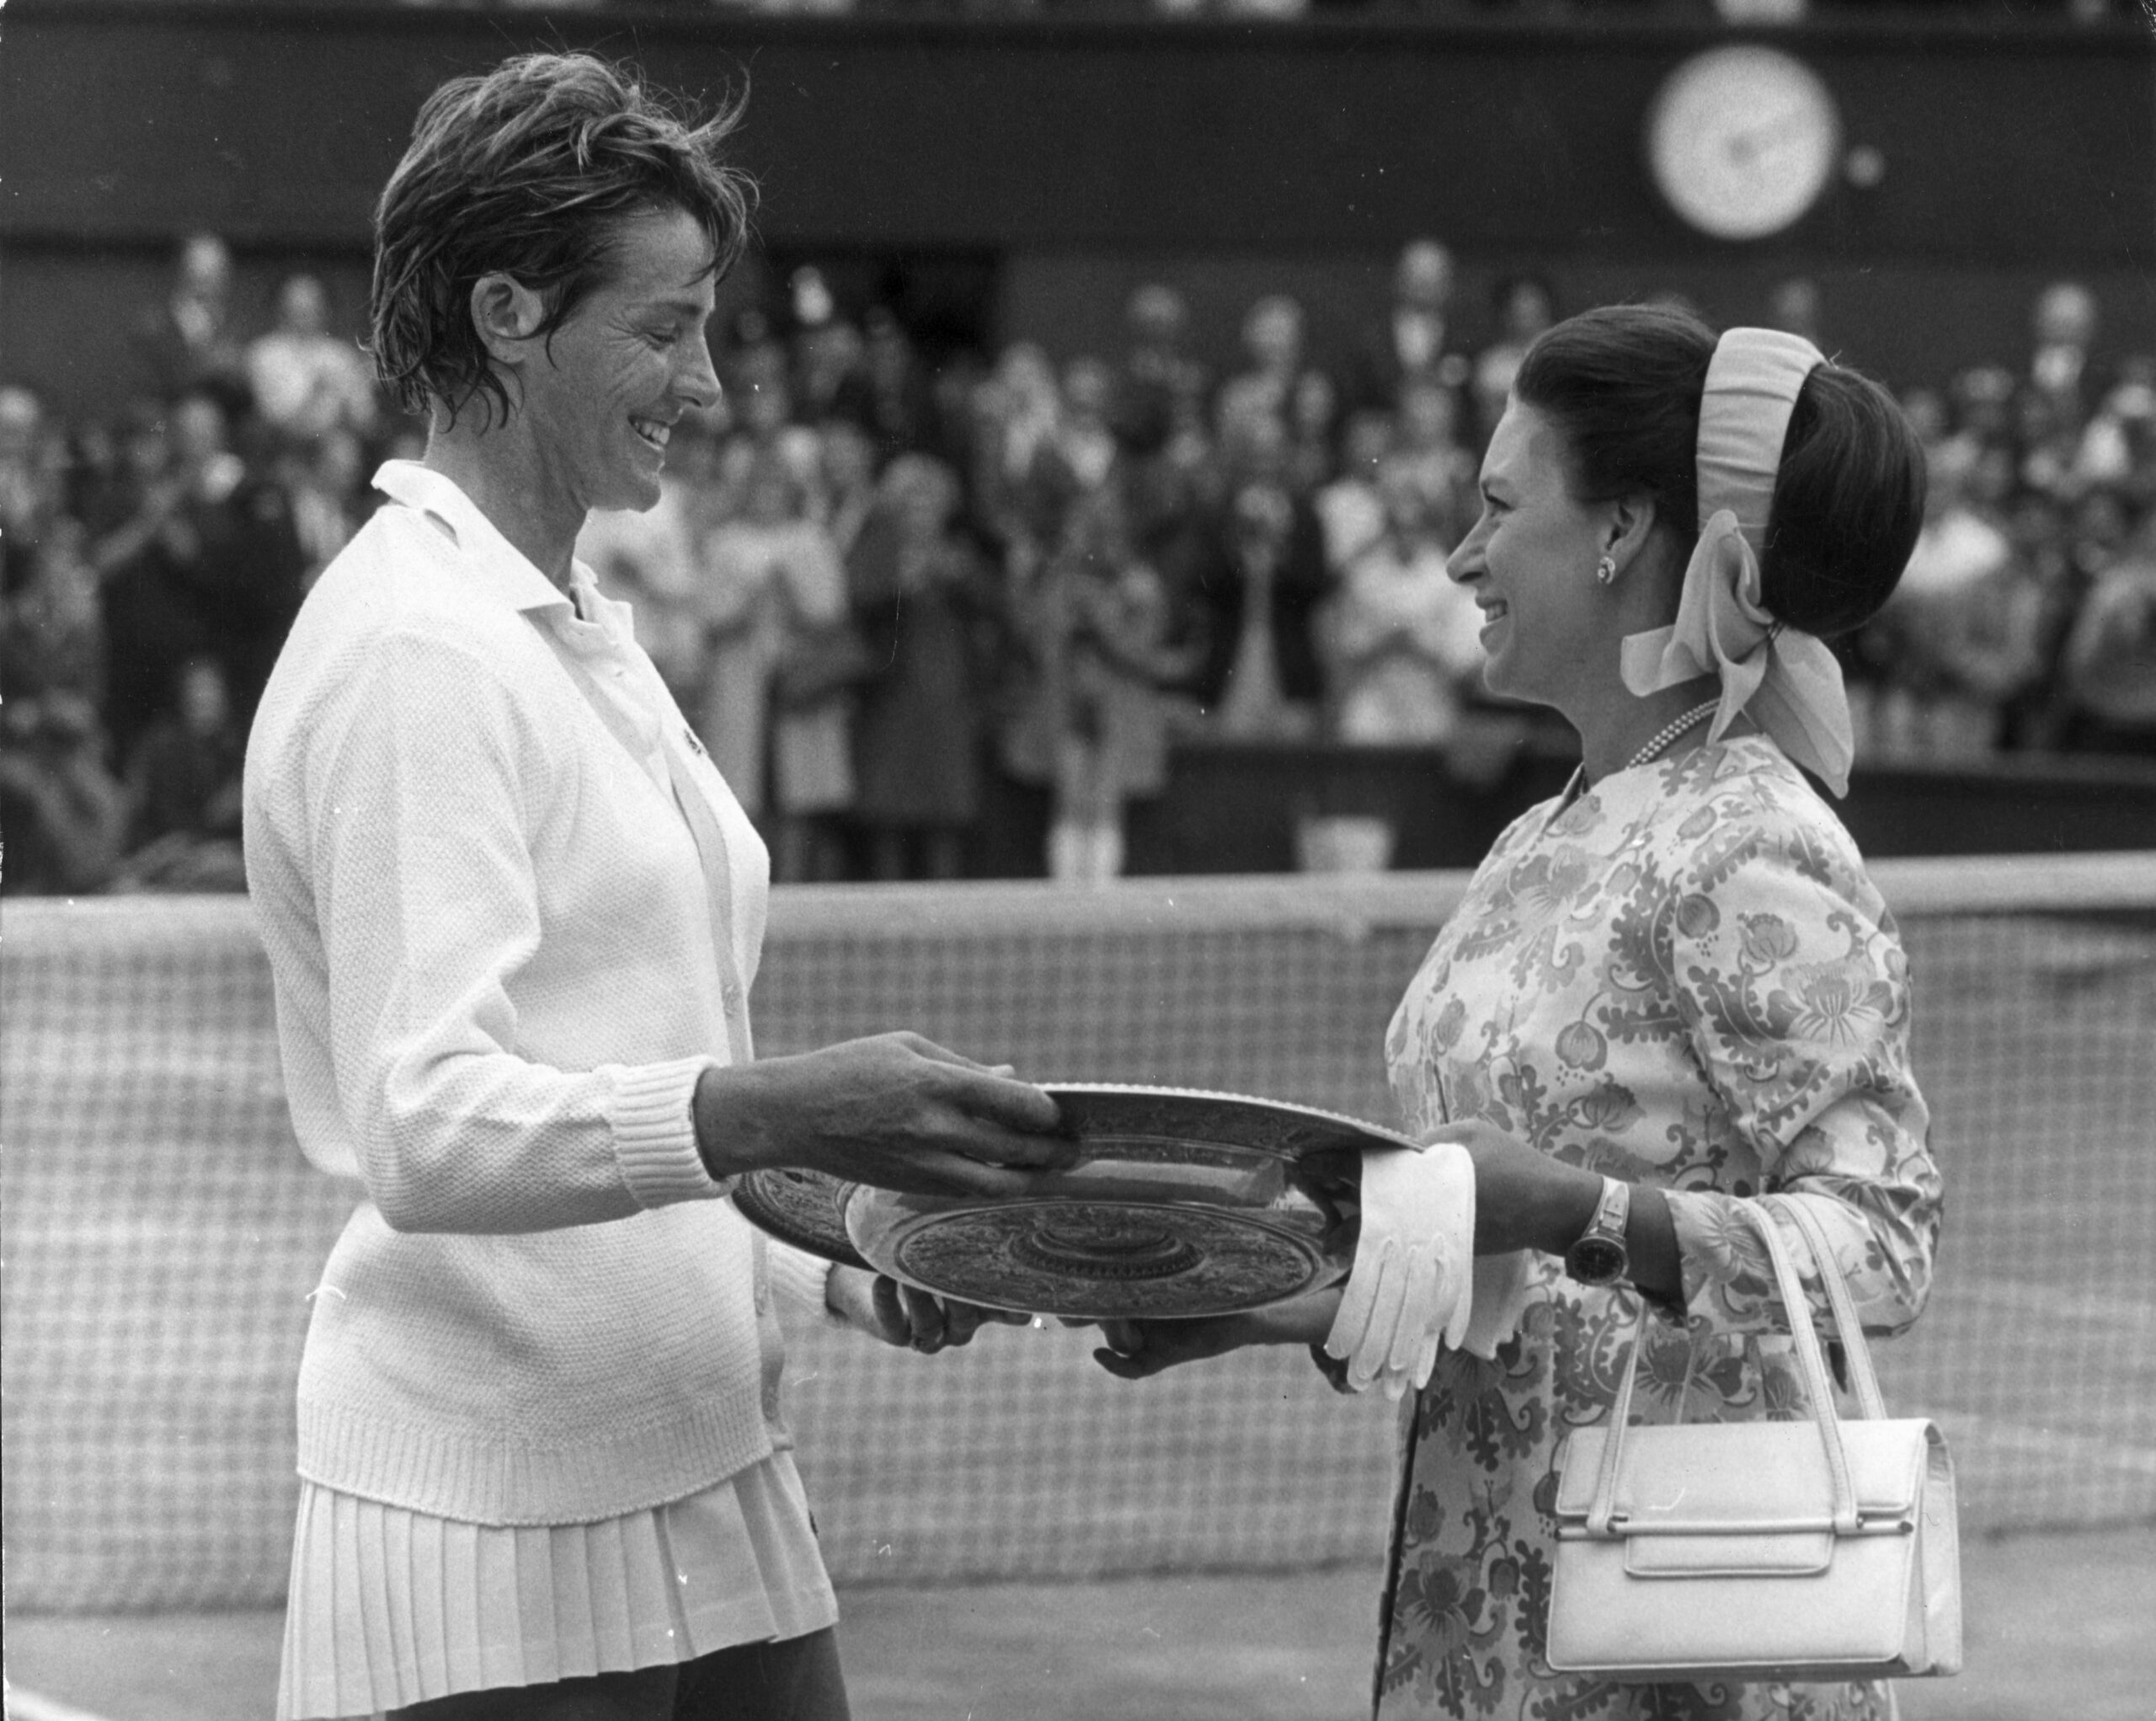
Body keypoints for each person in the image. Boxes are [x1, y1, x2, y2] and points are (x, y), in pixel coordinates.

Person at [242, 53, 1070, 1721]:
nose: (706, 382)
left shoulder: (565, 613)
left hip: (702, 1459)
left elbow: (623, 1056)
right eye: (664, 324)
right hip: (490, 1516)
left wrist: (835, 1255)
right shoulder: (420, 650)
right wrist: (782, 1111)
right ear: (504, 317)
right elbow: (426, 1119)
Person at [1090, 305, 1942, 1721]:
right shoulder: (1545, 835)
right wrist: (1236, 1300)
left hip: (1684, 1628)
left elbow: (1885, 1245)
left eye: (1498, 504)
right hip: (1492, 1591)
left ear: (1619, 528)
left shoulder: (1750, 843)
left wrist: (1575, 1207)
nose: (1462, 556)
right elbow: (1502, 1284)